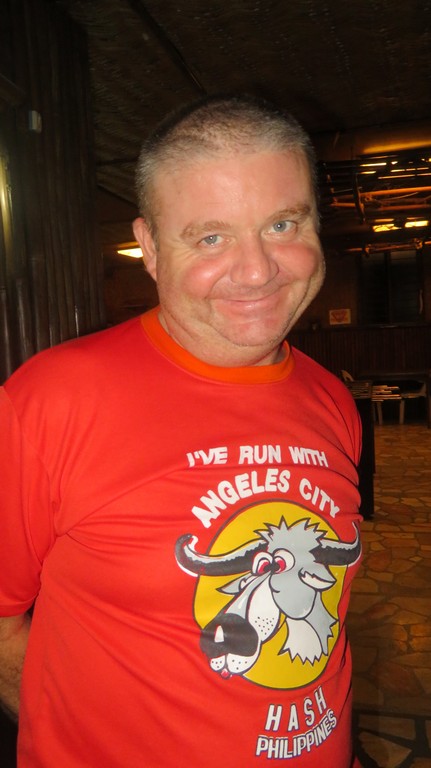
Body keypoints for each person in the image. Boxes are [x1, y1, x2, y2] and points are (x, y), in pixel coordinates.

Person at [0, 94, 363, 767]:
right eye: (211, 237)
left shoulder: (331, 398)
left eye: (283, 224)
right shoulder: (50, 400)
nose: (257, 270)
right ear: (148, 247)